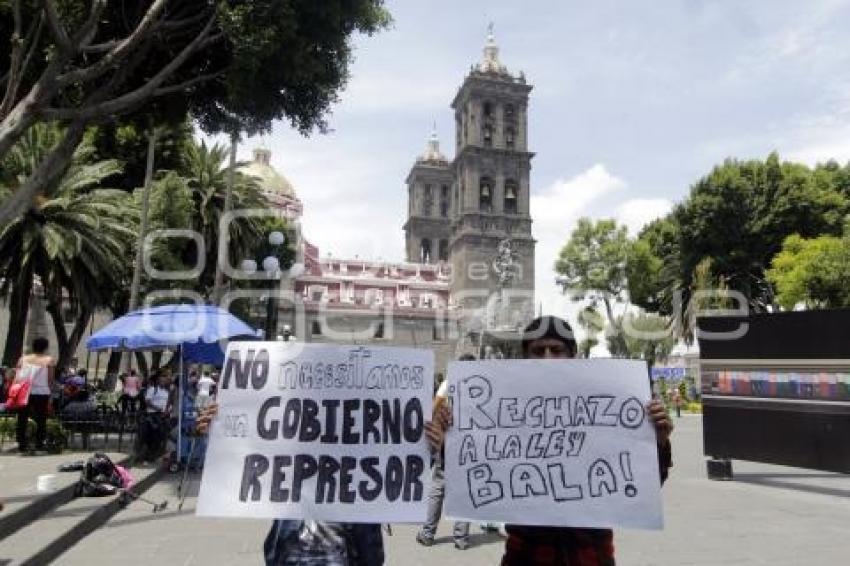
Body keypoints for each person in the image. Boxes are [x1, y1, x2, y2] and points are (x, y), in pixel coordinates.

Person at [425, 316, 673, 566]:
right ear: (525, 356)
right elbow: (473, 477)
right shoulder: (500, 407)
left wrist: (659, 443)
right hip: (525, 556)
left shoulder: (606, 399)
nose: (547, 358)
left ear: (573, 353)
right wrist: (450, 443)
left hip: (591, 556)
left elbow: (645, 484)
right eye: (537, 351)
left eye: (556, 350)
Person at [196, 404, 385, 565]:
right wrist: (217, 432)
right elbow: (237, 465)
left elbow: (371, 552)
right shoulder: (290, 468)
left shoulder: (355, 480)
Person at [416, 354, 474, 550]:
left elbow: (432, 408)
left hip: (447, 444)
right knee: (463, 491)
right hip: (470, 447)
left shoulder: (450, 383)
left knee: (438, 488)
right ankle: (461, 539)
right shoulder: (482, 384)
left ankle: (427, 534)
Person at [14, 337, 56, 452]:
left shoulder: (23, 359)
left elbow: (17, 376)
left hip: (25, 391)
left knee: (22, 418)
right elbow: (50, 379)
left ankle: (22, 443)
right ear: (45, 347)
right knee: (41, 418)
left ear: (33, 346)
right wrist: (51, 392)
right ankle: (39, 443)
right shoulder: (49, 360)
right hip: (42, 392)